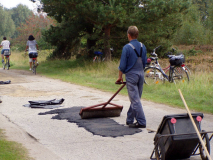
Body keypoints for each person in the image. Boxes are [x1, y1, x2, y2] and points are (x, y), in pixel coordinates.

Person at [116, 26, 147, 128]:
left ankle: (141, 121)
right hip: (141, 74)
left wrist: (120, 76)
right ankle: (129, 119)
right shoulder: (143, 46)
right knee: (136, 98)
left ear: (128, 35)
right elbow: (144, 62)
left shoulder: (127, 47)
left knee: (135, 99)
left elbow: (122, 65)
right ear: (137, 35)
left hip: (131, 75)